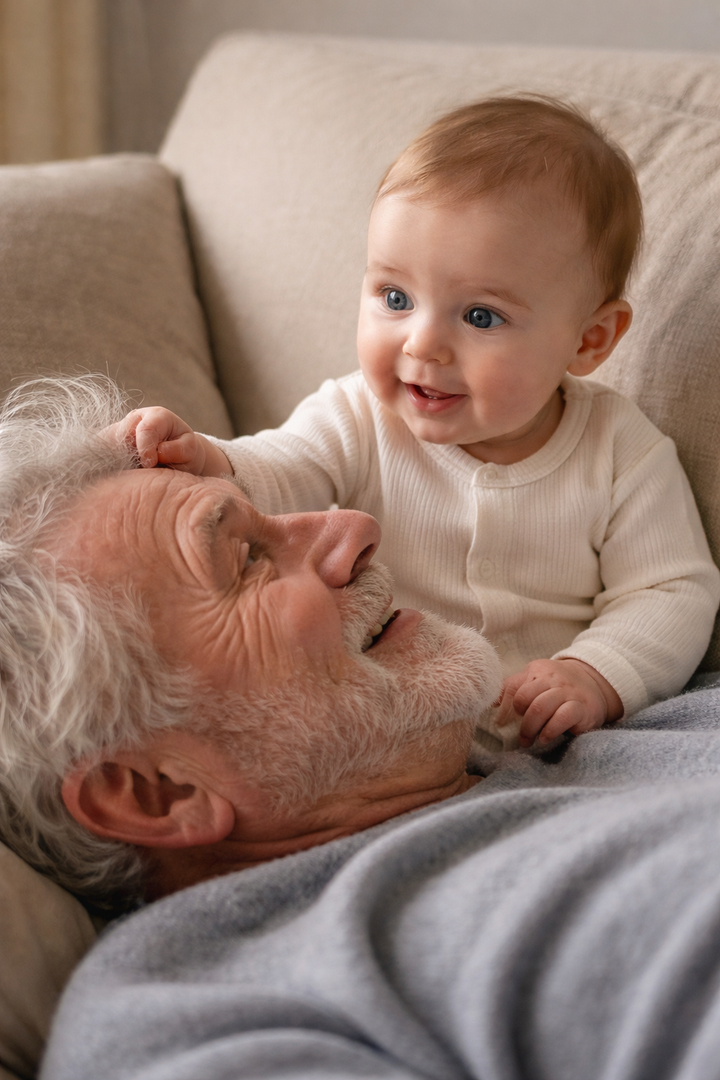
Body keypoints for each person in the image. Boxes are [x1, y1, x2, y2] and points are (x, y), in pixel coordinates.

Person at [2, 376, 720, 1079]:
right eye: (249, 557)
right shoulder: (205, 1020)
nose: (355, 528)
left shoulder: (629, 715)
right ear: (156, 792)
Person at [111, 96, 720, 752]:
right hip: (382, 727)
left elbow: (671, 589)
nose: (422, 345)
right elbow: (284, 466)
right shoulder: (357, 415)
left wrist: (597, 673)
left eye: (481, 316)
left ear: (590, 339)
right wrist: (207, 459)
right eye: (395, 298)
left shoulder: (620, 449)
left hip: (550, 738)